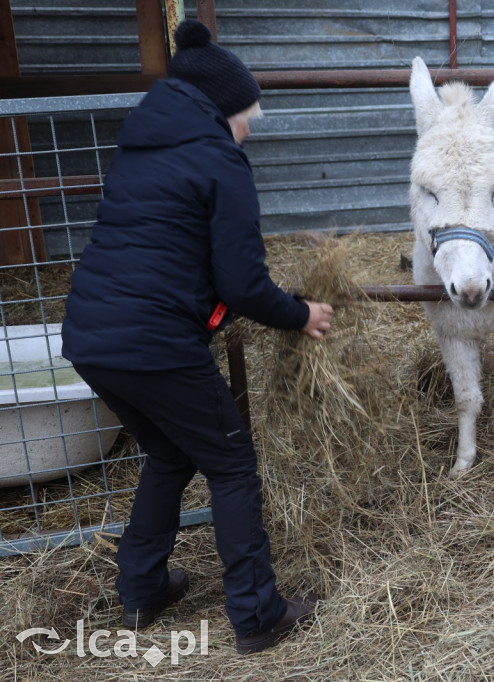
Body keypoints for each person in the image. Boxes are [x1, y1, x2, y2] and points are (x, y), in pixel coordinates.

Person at [61, 19, 333, 655]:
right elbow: (240, 283)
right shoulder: (220, 161)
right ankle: (259, 614)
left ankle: (141, 590)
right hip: (155, 345)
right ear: (222, 110)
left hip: (91, 337)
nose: (249, 129)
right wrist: (300, 314)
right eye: (248, 117)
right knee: (232, 463)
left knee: (169, 451)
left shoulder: (140, 148)